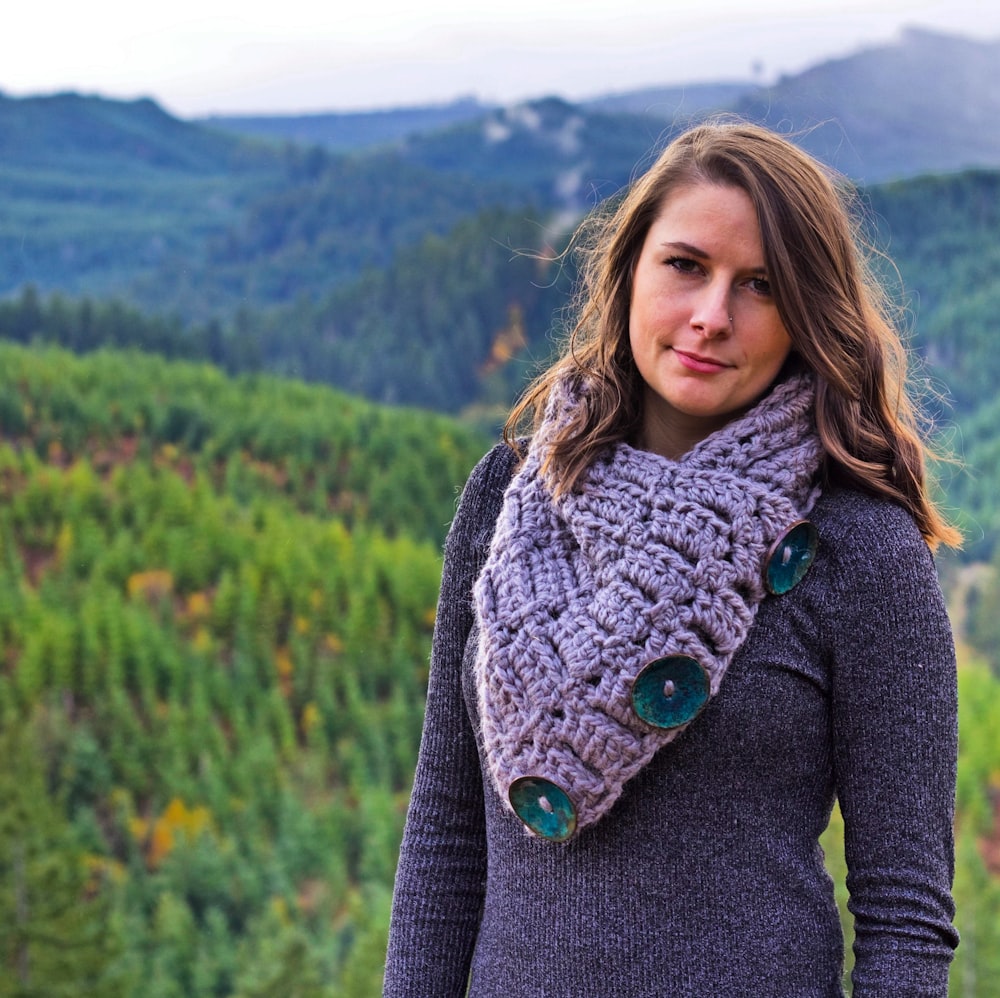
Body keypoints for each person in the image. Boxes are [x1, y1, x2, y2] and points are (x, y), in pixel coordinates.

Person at [383, 119, 960, 997]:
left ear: (807, 316)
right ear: (628, 274)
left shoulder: (859, 547)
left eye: (761, 286)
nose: (711, 316)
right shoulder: (507, 495)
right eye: (686, 265)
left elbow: (905, 917)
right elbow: (447, 831)